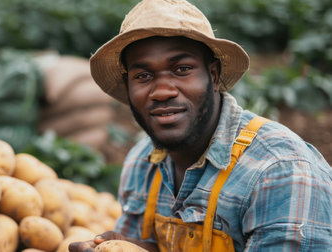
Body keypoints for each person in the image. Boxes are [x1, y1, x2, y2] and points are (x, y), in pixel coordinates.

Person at [69, 0, 332, 251]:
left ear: (214, 75)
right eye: (143, 76)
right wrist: (128, 246)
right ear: (128, 88)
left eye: (181, 69)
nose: (161, 91)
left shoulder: (280, 172)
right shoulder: (141, 164)